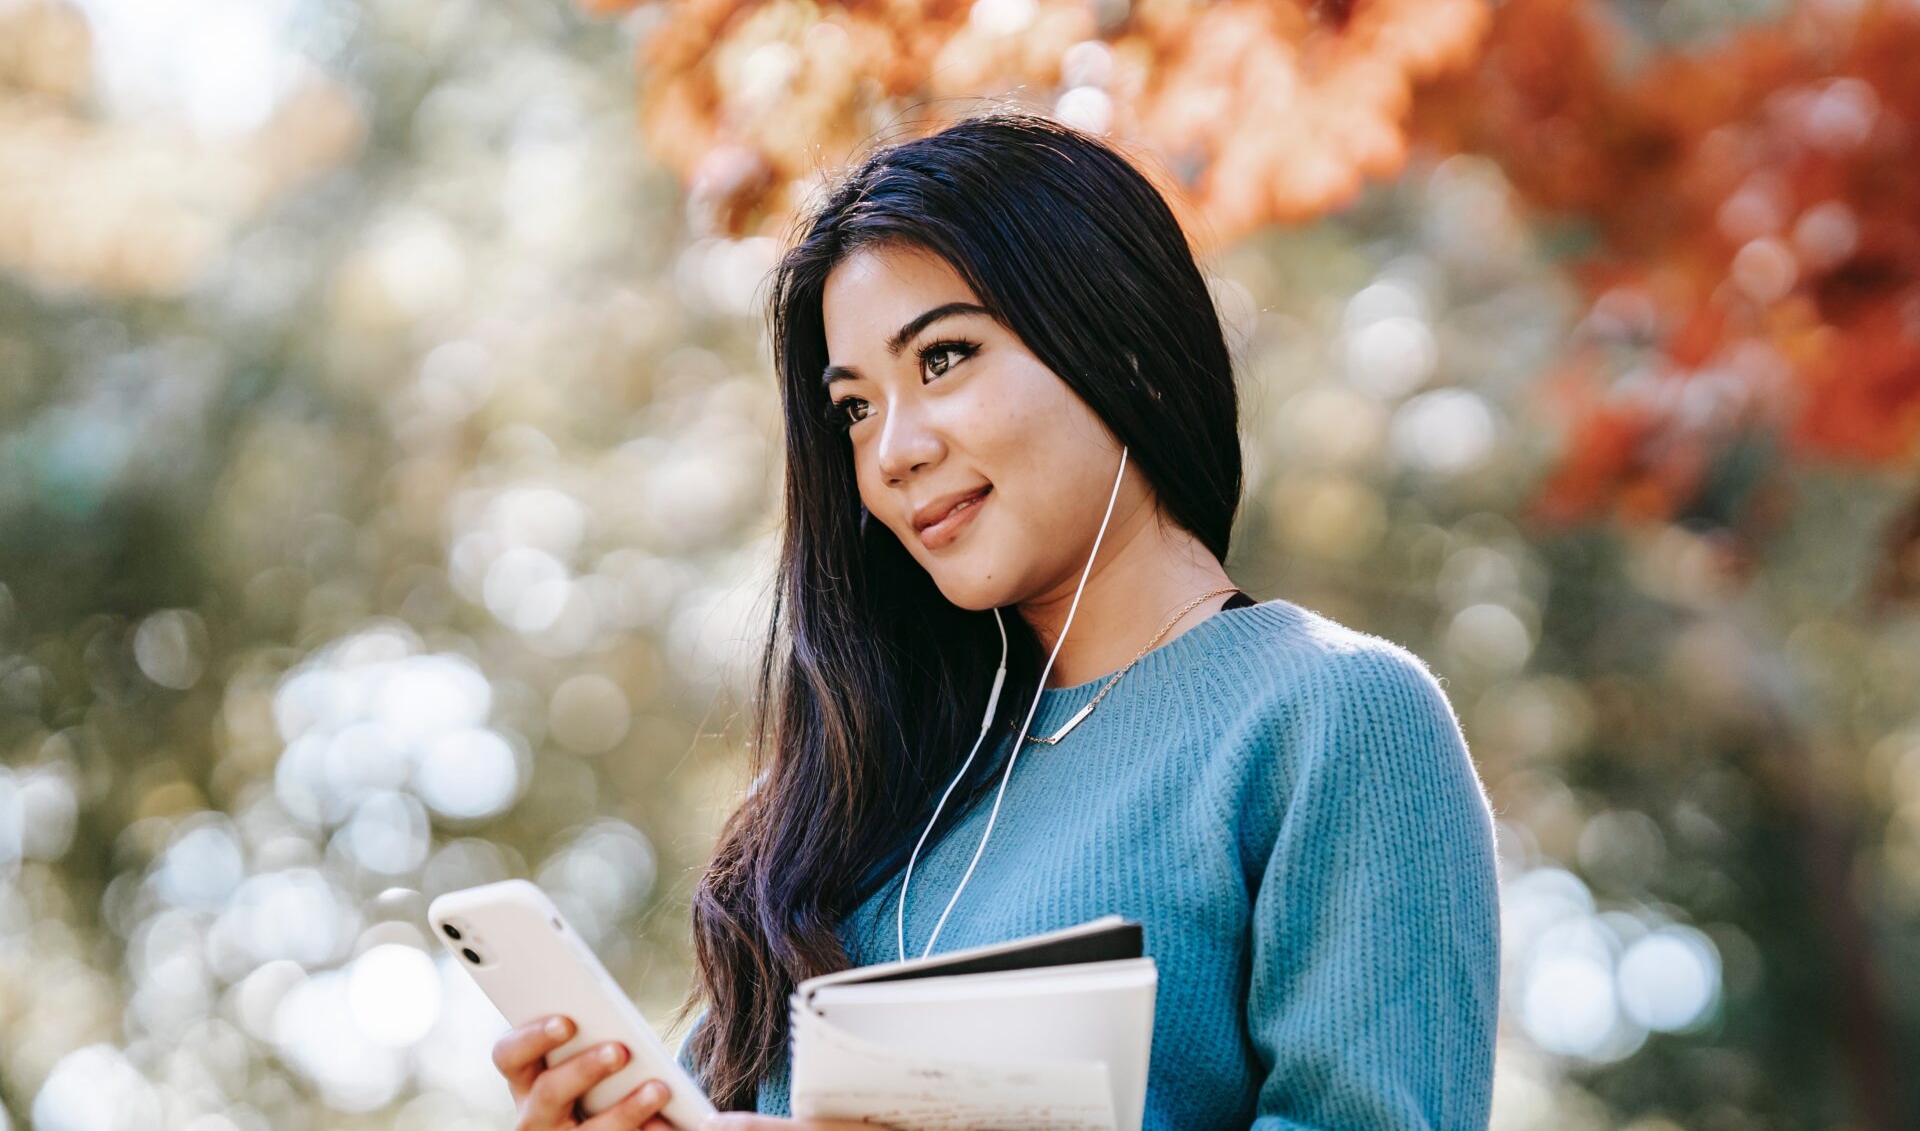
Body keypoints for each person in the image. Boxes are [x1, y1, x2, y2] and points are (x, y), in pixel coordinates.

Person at [490, 108, 1501, 1130]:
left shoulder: (1332, 714)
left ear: (1123, 343)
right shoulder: (866, 795)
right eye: (855, 408)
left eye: (943, 358)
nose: (893, 452)